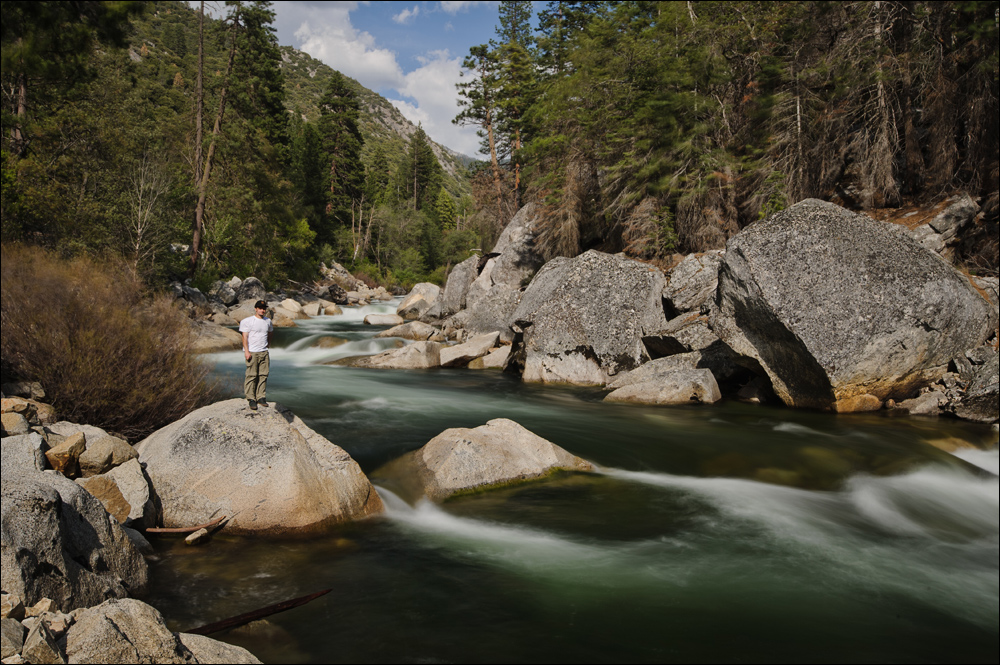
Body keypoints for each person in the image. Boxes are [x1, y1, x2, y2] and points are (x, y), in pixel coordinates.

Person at [239, 300, 273, 410]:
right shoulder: (248, 321)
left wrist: (268, 345)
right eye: (260, 308)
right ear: (255, 309)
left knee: (263, 375)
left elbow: (270, 333)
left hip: (263, 352)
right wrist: (246, 351)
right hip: (252, 352)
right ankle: (251, 398)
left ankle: (261, 397)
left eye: (264, 308)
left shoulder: (268, 321)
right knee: (251, 375)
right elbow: (245, 337)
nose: (262, 310)